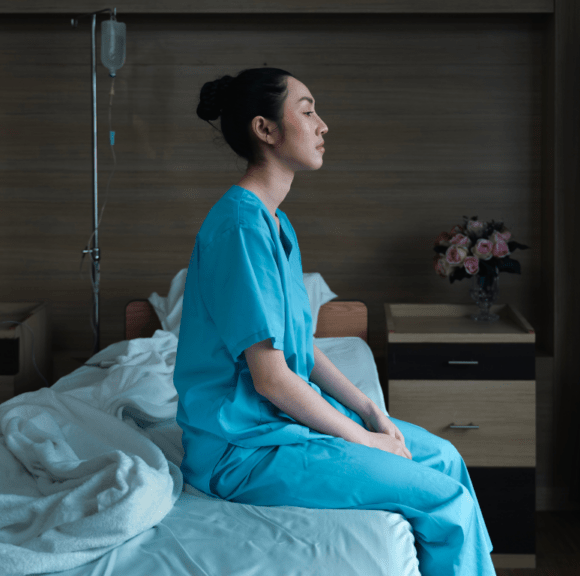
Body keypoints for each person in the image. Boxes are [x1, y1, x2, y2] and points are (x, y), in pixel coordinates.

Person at [174, 67, 495, 576]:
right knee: (445, 502)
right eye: (307, 111)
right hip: (243, 450)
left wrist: (372, 411)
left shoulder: (275, 221)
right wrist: (364, 442)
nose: (323, 125)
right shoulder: (239, 226)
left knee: (447, 458)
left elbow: (299, 344)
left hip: (280, 427)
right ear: (266, 129)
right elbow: (271, 376)